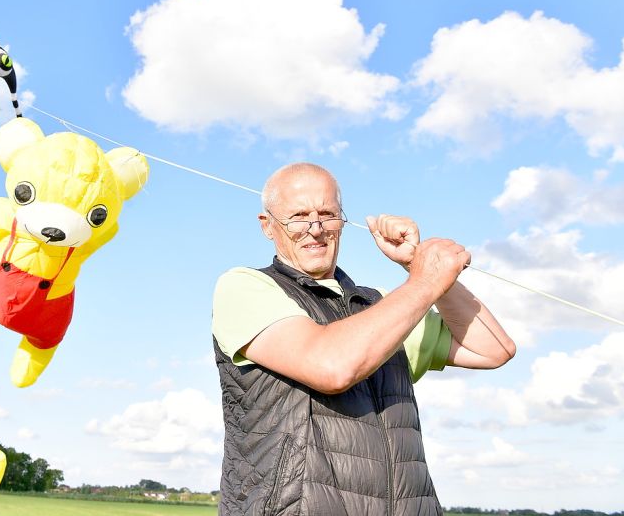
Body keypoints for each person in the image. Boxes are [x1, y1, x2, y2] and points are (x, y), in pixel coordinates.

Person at [212, 163, 515, 516]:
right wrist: (425, 280)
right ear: (268, 226)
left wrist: (422, 268)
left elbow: (493, 348)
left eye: (328, 215)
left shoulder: (385, 307)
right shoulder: (244, 287)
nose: (316, 230)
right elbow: (332, 367)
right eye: (298, 216)